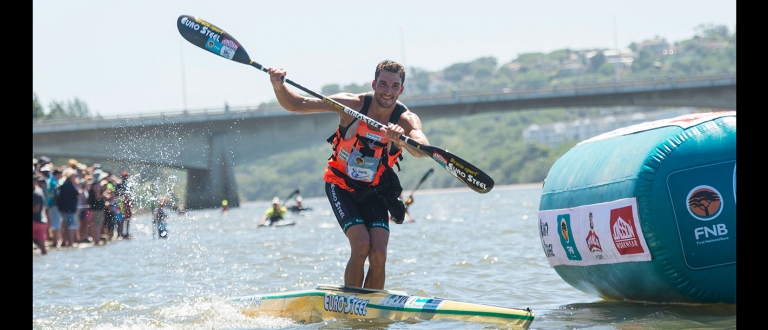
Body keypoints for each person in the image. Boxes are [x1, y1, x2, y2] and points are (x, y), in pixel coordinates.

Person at [267, 59, 431, 289]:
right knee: (362, 244)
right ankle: (351, 301)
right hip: (340, 184)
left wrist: (402, 140)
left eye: (394, 86)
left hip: (375, 190)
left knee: (379, 253)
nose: (388, 91)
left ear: (401, 89)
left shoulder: (405, 119)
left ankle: (372, 311)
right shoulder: (351, 104)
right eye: (383, 84)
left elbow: (422, 148)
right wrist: (278, 85)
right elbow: (297, 104)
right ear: (374, 84)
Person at [57, 169, 81, 248]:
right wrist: (77, 185)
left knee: (64, 225)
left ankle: (64, 241)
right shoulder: (70, 185)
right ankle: (71, 242)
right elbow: (78, 194)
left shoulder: (63, 184)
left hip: (63, 208)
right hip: (70, 208)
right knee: (70, 225)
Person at [33, 174, 49, 255]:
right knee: (43, 249)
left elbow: (36, 209)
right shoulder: (39, 191)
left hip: (35, 222)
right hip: (41, 221)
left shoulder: (36, 193)